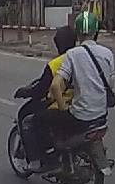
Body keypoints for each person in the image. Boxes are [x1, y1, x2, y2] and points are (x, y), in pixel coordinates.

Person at [33, 11, 115, 173]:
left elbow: (55, 86)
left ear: (77, 34)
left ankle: (50, 161)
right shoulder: (108, 54)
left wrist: (63, 108)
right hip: (101, 115)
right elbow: (110, 84)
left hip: (81, 116)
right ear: (96, 32)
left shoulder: (72, 54)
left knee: (40, 118)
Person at [15, 25, 77, 164]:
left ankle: (38, 157)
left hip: (60, 104)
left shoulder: (55, 64)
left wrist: (25, 92)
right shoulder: (81, 58)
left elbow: (41, 90)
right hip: (79, 102)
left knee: (29, 118)